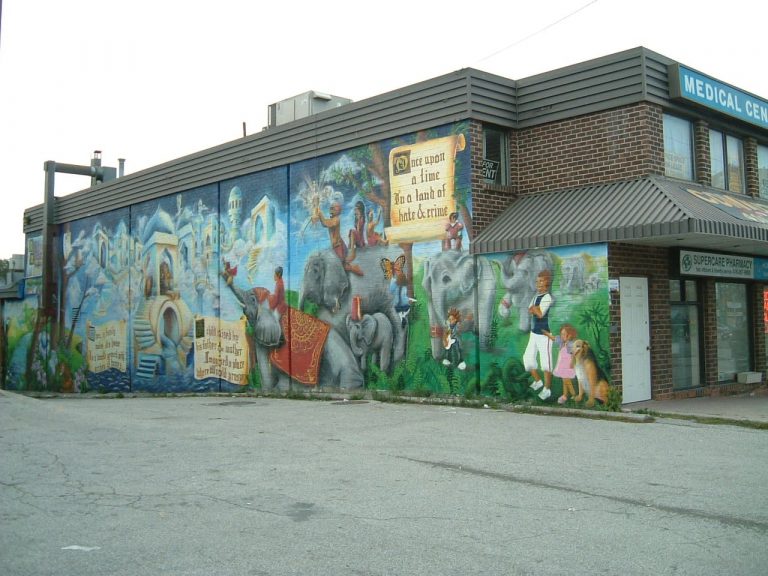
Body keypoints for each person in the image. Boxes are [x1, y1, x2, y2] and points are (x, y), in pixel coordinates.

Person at [313, 201, 364, 276]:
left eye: (334, 207)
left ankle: (354, 268)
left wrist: (320, 214)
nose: (331, 208)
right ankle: (350, 264)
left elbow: (326, 223)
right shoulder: (332, 219)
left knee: (342, 265)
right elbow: (324, 223)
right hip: (337, 246)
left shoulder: (336, 219)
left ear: (338, 211)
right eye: (331, 207)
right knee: (342, 263)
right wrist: (317, 210)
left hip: (339, 246)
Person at [525, 270, 554, 400]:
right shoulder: (536, 297)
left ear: (547, 282)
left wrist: (535, 310)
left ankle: (547, 389)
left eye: (541, 281)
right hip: (534, 333)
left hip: (544, 335)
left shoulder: (547, 297)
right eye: (537, 281)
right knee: (528, 358)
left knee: (545, 362)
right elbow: (530, 309)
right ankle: (538, 381)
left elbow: (540, 314)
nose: (538, 284)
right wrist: (535, 310)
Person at [549, 323, 578, 404]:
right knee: (564, 380)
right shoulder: (562, 343)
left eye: (564, 334)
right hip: (562, 365)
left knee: (567, 380)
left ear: (569, 335)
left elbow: (573, 354)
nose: (562, 336)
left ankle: (574, 395)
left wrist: (572, 362)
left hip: (568, 365)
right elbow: (554, 339)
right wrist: (547, 334)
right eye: (561, 334)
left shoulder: (571, 344)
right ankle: (565, 395)